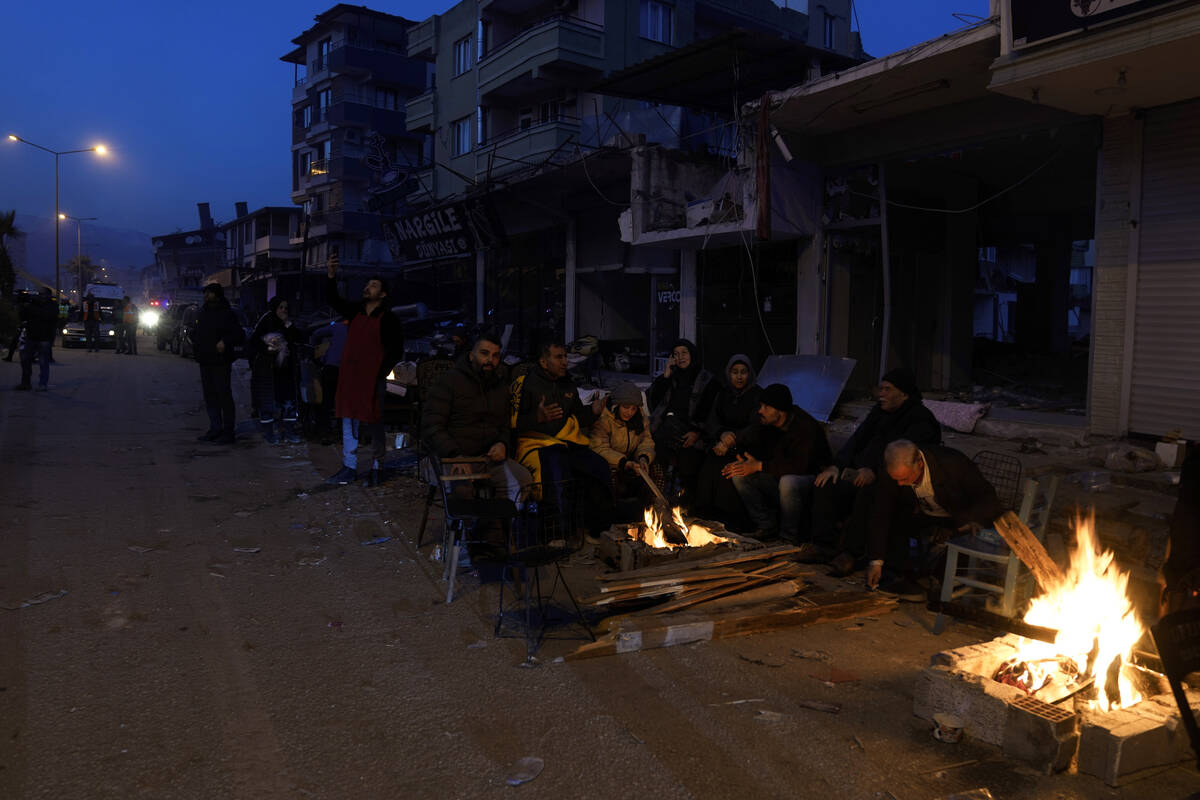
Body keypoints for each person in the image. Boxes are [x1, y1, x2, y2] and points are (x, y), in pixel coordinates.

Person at [812, 367, 942, 569]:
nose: (881, 394)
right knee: (826, 483)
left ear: (904, 393)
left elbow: (906, 459)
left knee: (869, 493)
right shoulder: (880, 412)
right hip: (863, 473)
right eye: (880, 389)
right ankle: (823, 546)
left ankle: (850, 553)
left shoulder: (920, 419)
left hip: (899, 482)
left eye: (887, 389)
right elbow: (856, 440)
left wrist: (875, 470)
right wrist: (837, 466)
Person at [868, 440, 1004, 599]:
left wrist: (969, 520)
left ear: (919, 463)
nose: (900, 483)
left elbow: (987, 497)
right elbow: (881, 513)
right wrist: (876, 562)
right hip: (924, 515)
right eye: (896, 479)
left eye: (905, 478)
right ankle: (900, 576)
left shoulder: (952, 464)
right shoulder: (891, 473)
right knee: (891, 521)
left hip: (959, 517)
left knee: (961, 547)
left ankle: (941, 581)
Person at [511, 339, 611, 539]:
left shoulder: (568, 384)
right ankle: (557, 536)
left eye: (565, 356)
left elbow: (577, 416)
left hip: (566, 442)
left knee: (599, 467)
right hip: (536, 443)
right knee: (556, 470)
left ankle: (598, 530)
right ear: (543, 361)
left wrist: (593, 412)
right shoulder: (525, 384)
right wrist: (536, 418)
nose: (565, 362)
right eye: (559, 357)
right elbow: (511, 423)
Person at [422, 328, 532, 503]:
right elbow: (432, 425)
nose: (490, 360)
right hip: (449, 458)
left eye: (495, 355)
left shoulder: (500, 387)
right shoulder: (449, 382)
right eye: (484, 353)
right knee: (462, 490)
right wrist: (454, 455)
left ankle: (496, 527)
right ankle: (462, 529)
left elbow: (504, 425)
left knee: (522, 480)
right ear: (471, 355)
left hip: (486, 458)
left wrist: (502, 443)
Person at [324, 252, 405, 486]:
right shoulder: (356, 311)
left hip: (372, 379)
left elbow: (395, 350)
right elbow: (334, 300)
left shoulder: (389, 319)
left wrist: (380, 372)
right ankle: (349, 466)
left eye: (374, 285)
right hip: (350, 376)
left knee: (375, 421)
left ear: (383, 293)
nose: (368, 287)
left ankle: (377, 467)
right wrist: (331, 275)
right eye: (368, 284)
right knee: (348, 420)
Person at [719, 384, 834, 543]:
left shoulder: (805, 427)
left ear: (780, 411)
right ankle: (766, 525)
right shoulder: (768, 423)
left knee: (788, 481)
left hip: (810, 480)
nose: (760, 410)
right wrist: (730, 440)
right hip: (777, 475)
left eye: (766, 407)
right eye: (761, 406)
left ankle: (788, 537)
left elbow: (799, 466)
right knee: (739, 474)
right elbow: (750, 433)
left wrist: (758, 466)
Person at [693, 354, 762, 529]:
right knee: (710, 465)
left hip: (745, 447)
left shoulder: (757, 395)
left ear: (750, 374)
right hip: (721, 444)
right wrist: (722, 434)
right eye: (735, 372)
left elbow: (756, 426)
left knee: (728, 471)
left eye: (743, 372)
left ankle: (731, 523)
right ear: (728, 374)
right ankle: (707, 519)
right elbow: (712, 420)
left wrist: (732, 440)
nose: (739, 376)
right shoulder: (723, 393)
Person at [647, 339, 718, 499]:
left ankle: (687, 507)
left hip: (694, 431)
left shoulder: (706, 379)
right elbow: (655, 401)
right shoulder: (673, 377)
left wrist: (696, 432)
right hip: (669, 429)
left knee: (688, 463)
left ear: (692, 354)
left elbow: (710, 410)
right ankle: (657, 501)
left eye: (684, 353)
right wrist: (666, 375)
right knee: (655, 455)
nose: (680, 357)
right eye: (676, 354)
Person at [589, 381, 661, 516]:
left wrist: (643, 458)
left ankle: (650, 512)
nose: (630, 412)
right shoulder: (604, 419)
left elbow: (646, 441)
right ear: (617, 406)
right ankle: (612, 515)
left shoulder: (640, 419)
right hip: (612, 462)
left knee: (655, 469)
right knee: (608, 477)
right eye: (626, 407)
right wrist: (624, 463)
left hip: (633, 461)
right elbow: (599, 447)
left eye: (634, 408)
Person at [192, 283, 246, 444]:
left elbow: (238, 334)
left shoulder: (227, 313)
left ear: (217, 294)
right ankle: (215, 429)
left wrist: (225, 341)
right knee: (210, 396)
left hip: (221, 361)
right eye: (205, 293)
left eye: (209, 293)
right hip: (206, 359)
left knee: (223, 396)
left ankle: (228, 432)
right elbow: (199, 332)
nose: (206, 296)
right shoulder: (204, 312)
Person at [250, 296, 306, 445]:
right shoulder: (266, 321)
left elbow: (299, 337)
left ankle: (289, 431)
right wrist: (269, 349)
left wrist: (288, 325)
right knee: (268, 402)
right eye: (280, 307)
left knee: (288, 402)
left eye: (285, 308)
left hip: (286, 370)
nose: (283, 310)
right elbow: (254, 341)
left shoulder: (288, 323)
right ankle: (269, 433)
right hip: (267, 370)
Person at [15, 287, 58, 392]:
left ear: (48, 295)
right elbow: (23, 317)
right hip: (31, 336)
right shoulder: (33, 304)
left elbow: (47, 316)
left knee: (43, 362)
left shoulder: (52, 305)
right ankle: (26, 383)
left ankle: (42, 384)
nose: (41, 296)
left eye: (43, 294)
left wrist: (31, 308)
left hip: (45, 337)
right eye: (40, 294)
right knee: (25, 360)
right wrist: (24, 307)